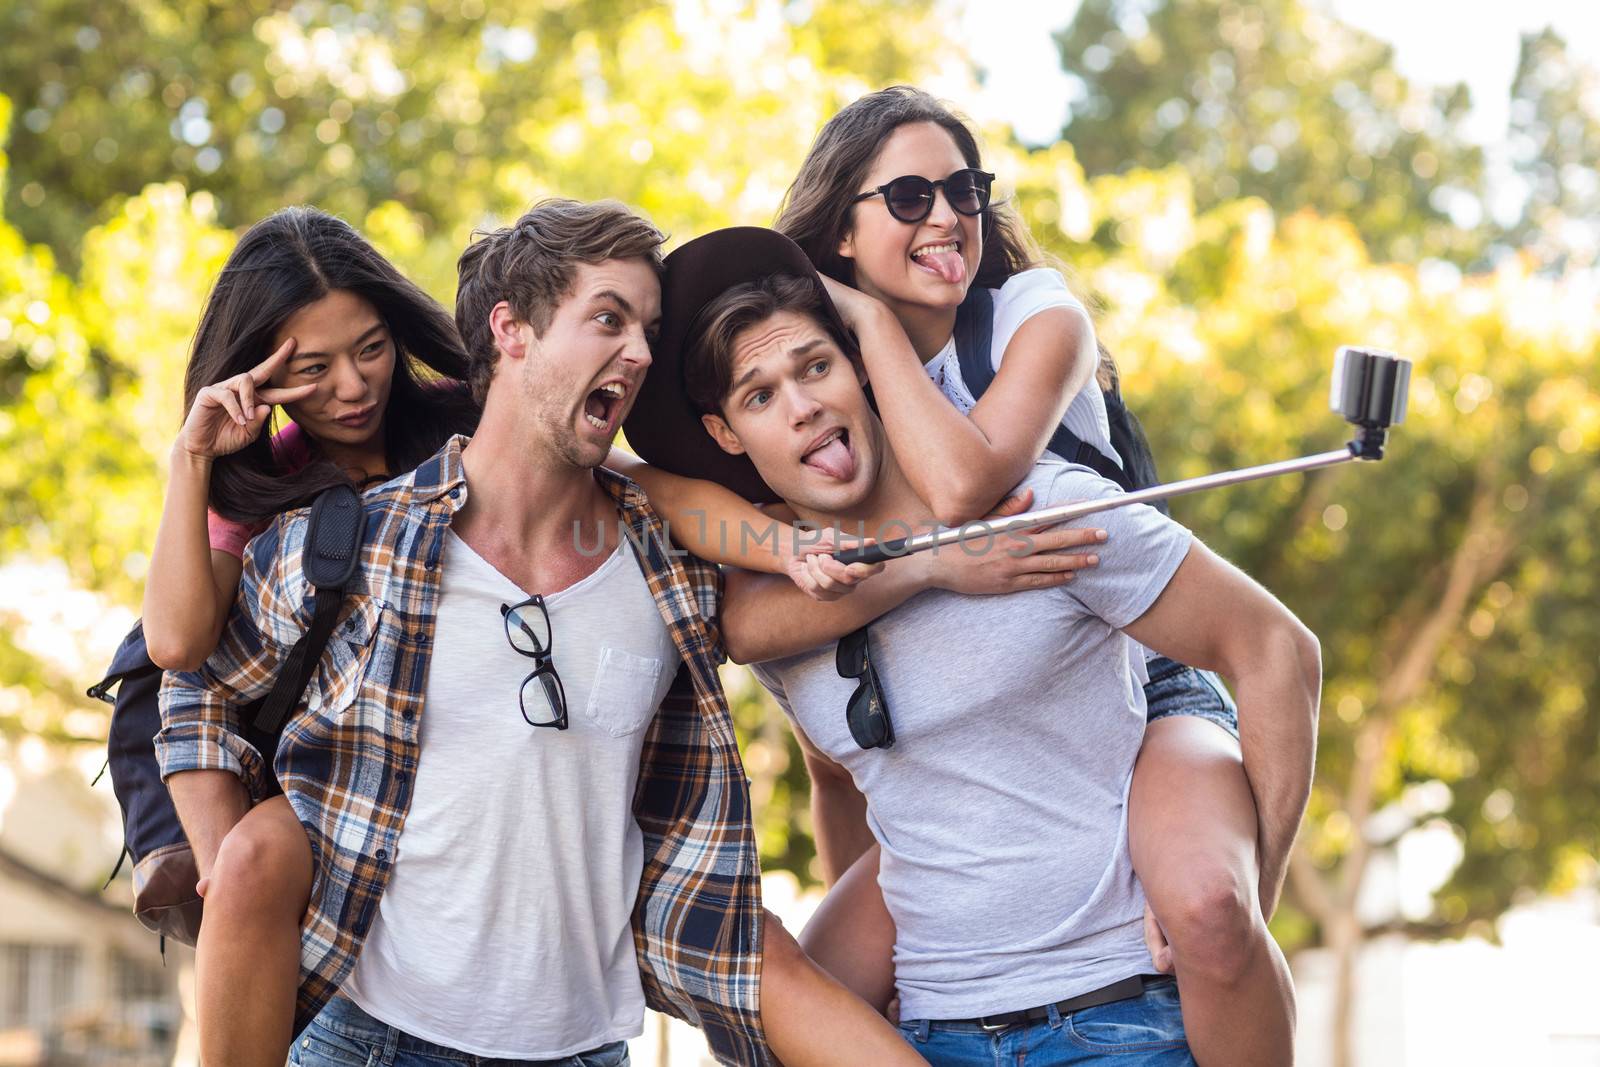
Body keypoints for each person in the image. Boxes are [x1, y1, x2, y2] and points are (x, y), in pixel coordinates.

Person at [157, 199, 935, 1067]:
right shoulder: (358, 538)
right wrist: (235, 868)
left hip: (584, 1046)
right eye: (609, 317)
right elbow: (191, 682)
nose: (639, 352)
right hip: (370, 1038)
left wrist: (941, 558)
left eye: (646, 327)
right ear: (512, 328)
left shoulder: (667, 556)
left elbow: (761, 616)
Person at [628, 86, 1306, 1066]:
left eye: (962, 190)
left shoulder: (1029, 337)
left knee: (1209, 908)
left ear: (862, 363)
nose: (943, 215)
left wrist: (1256, 889)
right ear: (728, 435)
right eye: (906, 196)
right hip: (944, 1009)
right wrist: (915, 560)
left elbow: (967, 485)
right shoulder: (774, 573)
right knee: (775, 997)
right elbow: (649, 512)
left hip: (1141, 666)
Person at [142, 206, 480, 1066]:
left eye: (370, 348)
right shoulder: (261, 480)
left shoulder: (467, 423)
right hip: (325, 798)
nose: (354, 387)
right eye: (314, 367)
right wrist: (195, 458)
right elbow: (178, 645)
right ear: (257, 368)